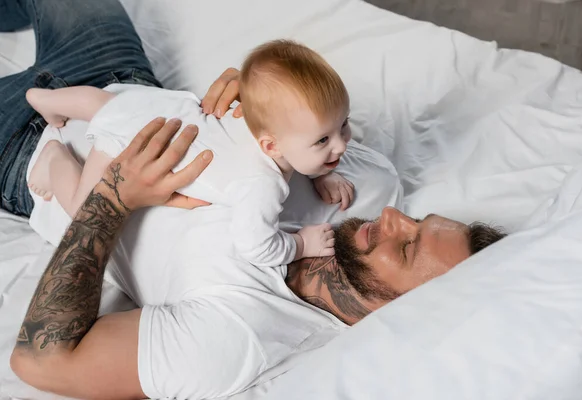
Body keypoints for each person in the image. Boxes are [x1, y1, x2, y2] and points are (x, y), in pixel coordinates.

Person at [0, 0, 506, 398]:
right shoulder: (370, 188)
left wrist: (113, 198)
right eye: (417, 220)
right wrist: (266, 97)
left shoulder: (238, 338)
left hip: (25, 150)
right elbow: (308, 125)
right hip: (128, 92)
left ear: (401, 312)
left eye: (406, 247)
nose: (394, 217)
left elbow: (42, 362)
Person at [24, 40, 355, 266]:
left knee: (104, 104)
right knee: (84, 209)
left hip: (163, 107)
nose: (342, 144)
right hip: (133, 143)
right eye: (323, 141)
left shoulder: (251, 114)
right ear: (271, 147)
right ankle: (55, 157)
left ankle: (46, 100)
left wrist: (324, 169)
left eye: (344, 125)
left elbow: (301, 147)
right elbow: (257, 246)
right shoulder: (262, 185)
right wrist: (301, 246)